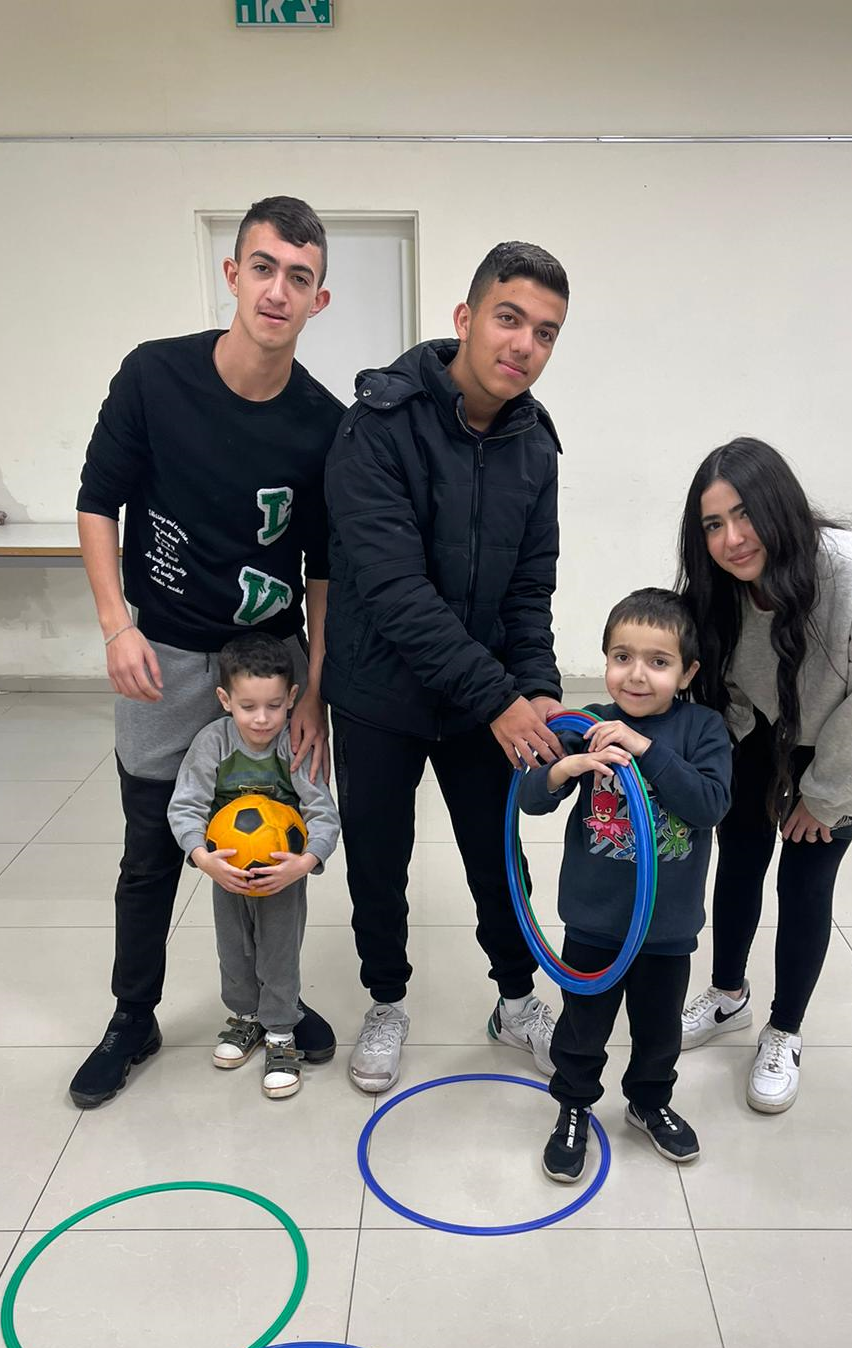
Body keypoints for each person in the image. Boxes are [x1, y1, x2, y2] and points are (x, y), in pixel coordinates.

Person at [68, 195, 344, 1109]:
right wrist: (116, 624)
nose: (277, 290)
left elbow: (323, 569)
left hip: (270, 671)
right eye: (262, 268)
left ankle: (275, 1002)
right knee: (152, 850)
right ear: (233, 274)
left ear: (319, 300)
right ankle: (131, 1017)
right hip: (165, 655)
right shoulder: (154, 376)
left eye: (298, 277)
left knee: (276, 843)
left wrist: (314, 689)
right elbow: (97, 501)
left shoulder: (326, 422)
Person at [323, 241, 572, 1094]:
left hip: (479, 701)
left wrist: (537, 684)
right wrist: (502, 695)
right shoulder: (377, 425)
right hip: (379, 691)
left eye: (545, 332)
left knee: (499, 860)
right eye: (509, 318)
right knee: (378, 860)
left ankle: (517, 1001)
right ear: (465, 319)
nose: (524, 345)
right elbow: (394, 591)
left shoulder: (535, 446)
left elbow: (530, 586)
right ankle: (386, 1001)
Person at [677, 437, 852, 1113]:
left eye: (744, 514)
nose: (731, 539)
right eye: (713, 524)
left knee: (806, 879)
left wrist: (828, 795)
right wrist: (710, 763)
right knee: (739, 857)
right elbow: (722, 684)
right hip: (756, 726)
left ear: (781, 504)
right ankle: (728, 996)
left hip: (839, 738)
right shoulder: (719, 587)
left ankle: (784, 1030)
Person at [518, 589, 732, 1181]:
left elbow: (710, 804)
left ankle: (649, 1100)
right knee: (582, 1026)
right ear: (606, 659)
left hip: (667, 925)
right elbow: (529, 798)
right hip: (595, 919)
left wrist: (645, 749)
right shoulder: (585, 726)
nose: (636, 674)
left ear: (687, 673)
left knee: (659, 1029)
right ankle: (573, 1104)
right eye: (622, 657)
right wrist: (562, 769)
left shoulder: (703, 728)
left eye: (658, 662)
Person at [167, 635, 340, 1099]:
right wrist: (203, 858)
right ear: (225, 700)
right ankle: (246, 1018)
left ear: (292, 698)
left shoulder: (294, 745)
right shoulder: (213, 743)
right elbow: (185, 807)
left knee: (278, 955)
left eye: (273, 706)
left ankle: (281, 1033)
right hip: (227, 875)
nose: (261, 718)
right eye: (248, 707)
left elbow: (323, 812)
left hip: (282, 879)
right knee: (234, 951)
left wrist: (304, 862)